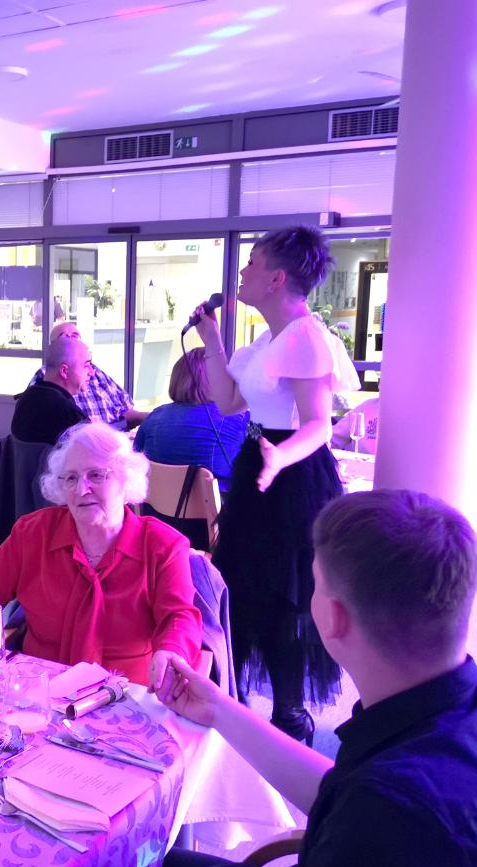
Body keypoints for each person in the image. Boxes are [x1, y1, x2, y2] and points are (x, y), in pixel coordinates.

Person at [154, 490, 477, 867]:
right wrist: (220, 709)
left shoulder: (388, 812)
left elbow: (372, 807)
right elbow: (345, 791)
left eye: (316, 583)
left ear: (334, 617)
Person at [189, 226, 358, 744]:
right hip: (259, 464)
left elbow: (319, 425)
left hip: (294, 475)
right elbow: (228, 403)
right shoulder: (268, 339)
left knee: (286, 594)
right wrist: (213, 341)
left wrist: (279, 457)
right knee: (243, 582)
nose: (242, 272)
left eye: (252, 263)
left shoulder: (306, 337)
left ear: (277, 278)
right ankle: (235, 706)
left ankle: (289, 715)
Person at [0, 421, 205, 688]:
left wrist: (171, 651)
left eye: (95, 475)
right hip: (39, 690)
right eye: (71, 478)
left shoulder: (162, 546)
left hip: (124, 693)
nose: (81, 490)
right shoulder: (34, 533)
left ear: (126, 480)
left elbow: (179, 617)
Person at [133, 348, 249, 493]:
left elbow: (134, 464)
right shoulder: (243, 420)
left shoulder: (153, 418)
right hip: (223, 506)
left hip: (156, 506)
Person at [28, 322, 147, 429]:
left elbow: (126, 410)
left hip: (116, 436)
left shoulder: (96, 373)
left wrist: (152, 417)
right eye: (64, 337)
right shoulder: (46, 383)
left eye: (75, 336)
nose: (91, 372)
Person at [11, 337, 90, 446]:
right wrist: (94, 427)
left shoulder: (24, 399)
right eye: (86, 366)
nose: (92, 372)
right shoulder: (67, 413)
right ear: (64, 371)